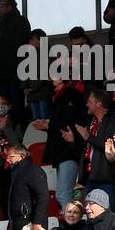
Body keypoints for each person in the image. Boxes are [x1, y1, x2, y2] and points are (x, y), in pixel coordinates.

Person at [36, 72, 87, 208]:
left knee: (63, 194)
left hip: (69, 150)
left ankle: (73, 222)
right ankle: (73, 224)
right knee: (66, 194)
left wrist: (49, 125)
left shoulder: (71, 94)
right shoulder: (58, 96)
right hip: (62, 151)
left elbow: (69, 120)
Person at [0, 0, 32, 110]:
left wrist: (0, 37)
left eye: (1, 6)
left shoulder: (21, 21)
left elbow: (22, 42)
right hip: (1, 71)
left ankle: (18, 127)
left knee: (16, 102)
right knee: (3, 103)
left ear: (10, 7)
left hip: (17, 69)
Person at [76, 88, 115, 209]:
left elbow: (111, 146)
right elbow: (87, 145)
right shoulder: (92, 121)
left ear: (99, 103)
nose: (87, 104)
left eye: (90, 102)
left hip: (105, 178)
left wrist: (88, 137)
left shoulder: (114, 120)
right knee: (91, 215)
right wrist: (74, 140)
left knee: (108, 215)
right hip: (89, 177)